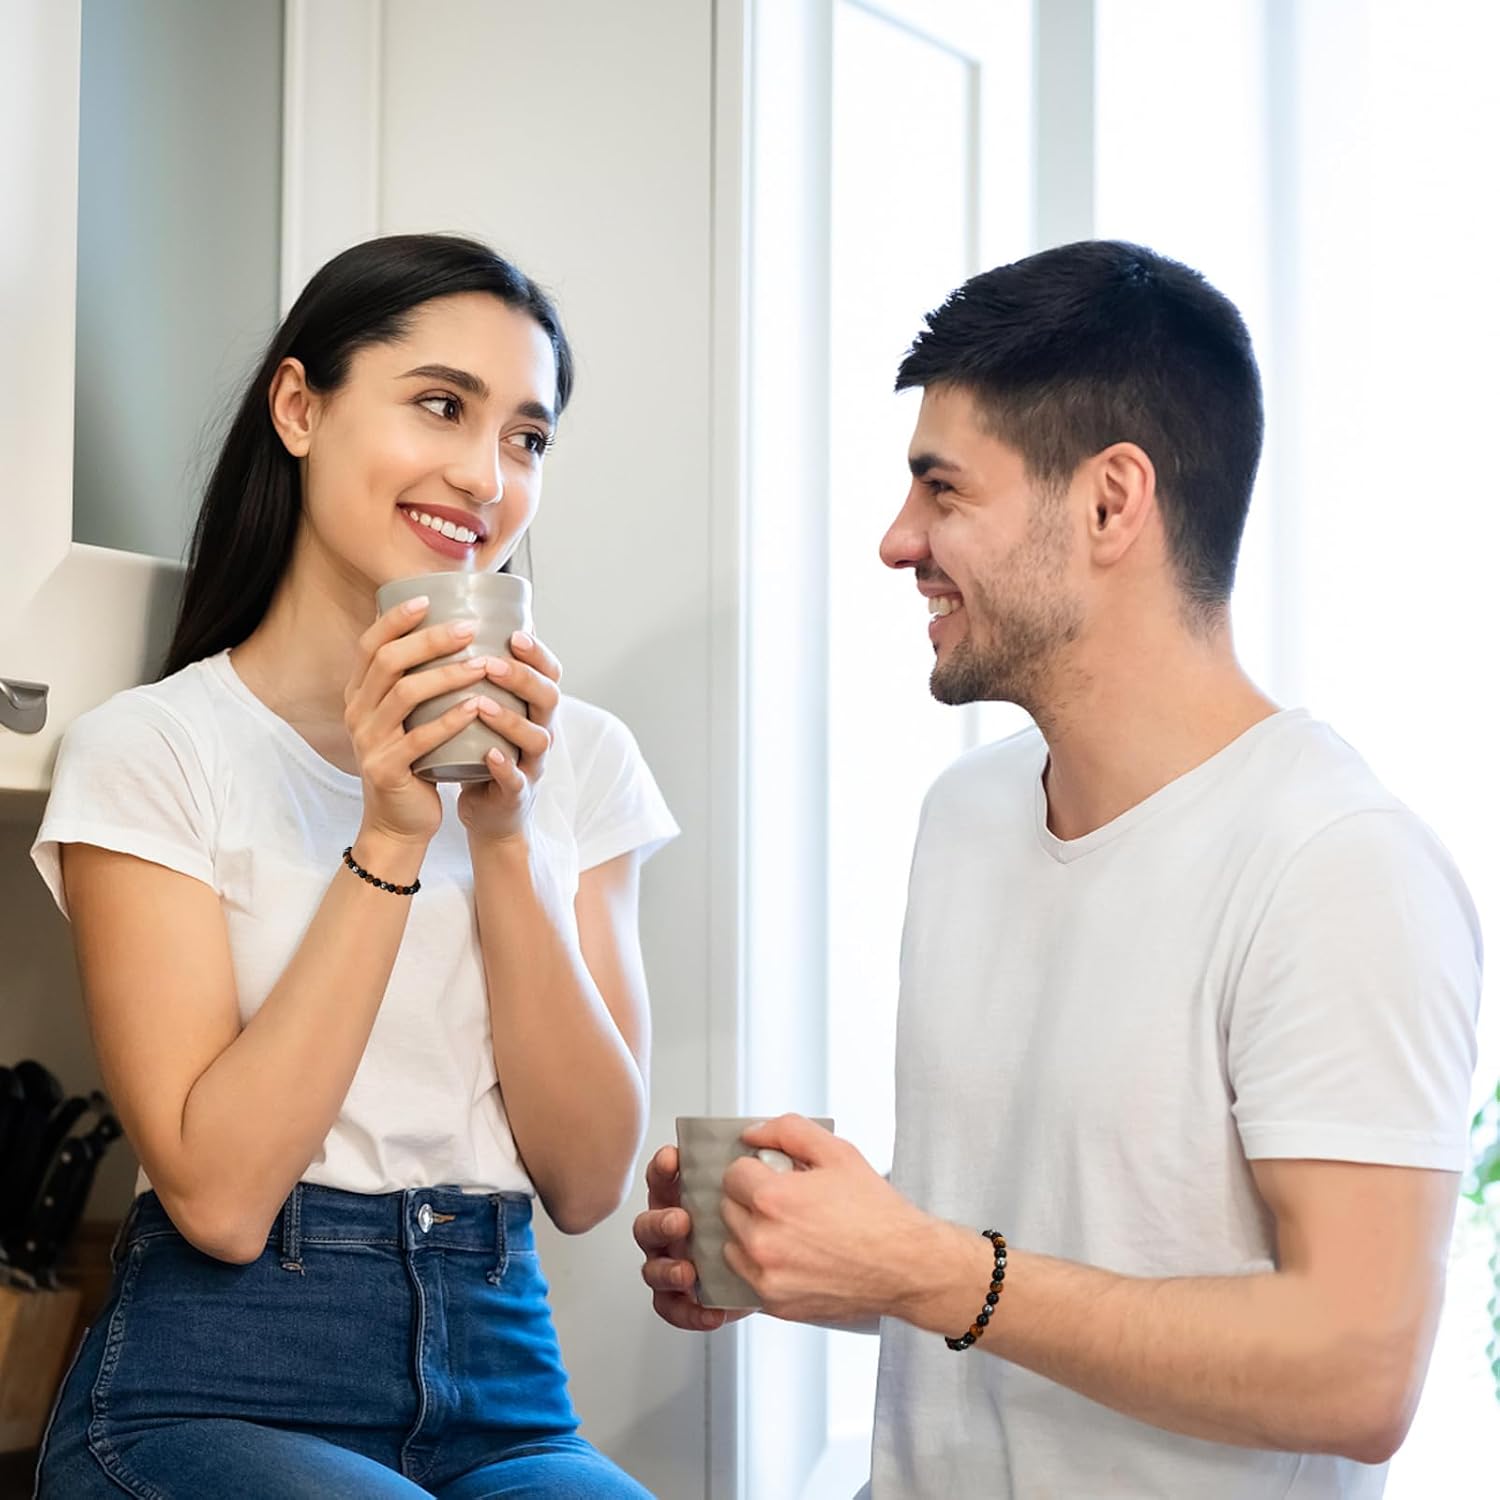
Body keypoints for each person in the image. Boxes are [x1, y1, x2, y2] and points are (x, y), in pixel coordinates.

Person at [634, 240, 1483, 1498]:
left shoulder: (1337, 865)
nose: (898, 541)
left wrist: (921, 1267)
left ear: (1109, 502)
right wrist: (814, 1252)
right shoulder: (967, 814)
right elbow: (1024, 1253)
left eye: (943, 491)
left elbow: (1357, 1372)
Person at [31, 234, 674, 1499]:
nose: (485, 475)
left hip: (504, 1396)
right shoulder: (152, 751)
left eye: (527, 438)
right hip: (213, 1387)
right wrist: (389, 836)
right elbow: (220, 1199)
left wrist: (504, 839)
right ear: (299, 406)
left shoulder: (581, 761)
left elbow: (590, 1178)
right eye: (441, 404)